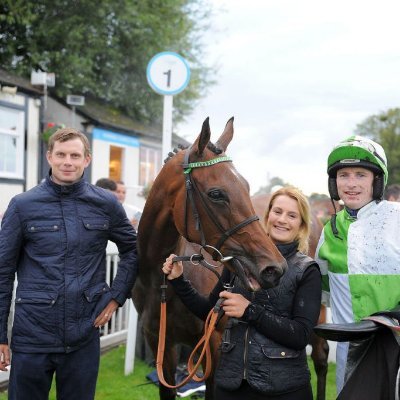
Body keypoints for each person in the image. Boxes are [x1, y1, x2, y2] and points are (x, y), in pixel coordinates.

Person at [0, 127, 138, 400]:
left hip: (84, 335)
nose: (68, 161)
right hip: (32, 336)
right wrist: (0, 335)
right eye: (61, 154)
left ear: (86, 160)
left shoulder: (106, 204)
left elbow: (132, 250)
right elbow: (2, 273)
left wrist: (116, 297)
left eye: (75, 155)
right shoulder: (22, 205)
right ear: (49, 156)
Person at [163, 186, 322, 399]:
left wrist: (249, 311)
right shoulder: (239, 263)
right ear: (267, 216)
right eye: (277, 212)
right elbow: (208, 311)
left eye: (292, 215)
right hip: (231, 384)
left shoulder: (307, 270)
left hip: (283, 388)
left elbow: (301, 335)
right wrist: (179, 280)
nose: (282, 219)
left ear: (301, 225)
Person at [316, 135, 400, 394]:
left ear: (377, 180)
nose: (351, 184)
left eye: (360, 175)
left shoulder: (397, 218)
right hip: (350, 355)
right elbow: (323, 294)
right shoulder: (329, 231)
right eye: (344, 175)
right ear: (334, 183)